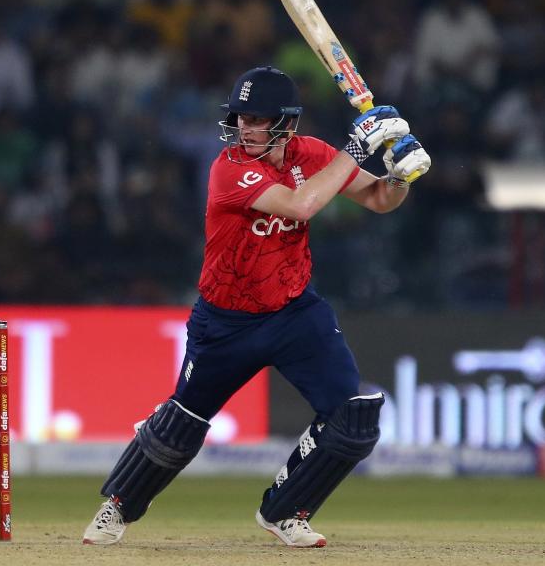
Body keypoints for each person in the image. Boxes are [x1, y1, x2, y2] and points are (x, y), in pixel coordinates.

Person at [82, 66, 431, 548]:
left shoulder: (312, 154)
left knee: (352, 420)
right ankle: (116, 507)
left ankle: (285, 511)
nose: (244, 128)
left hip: (294, 313)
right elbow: (301, 205)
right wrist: (357, 146)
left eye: (257, 119)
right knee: (180, 427)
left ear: (285, 123)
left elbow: (376, 199)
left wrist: (397, 174)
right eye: (240, 117)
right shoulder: (229, 167)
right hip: (226, 321)